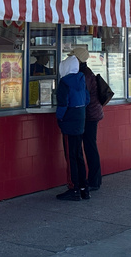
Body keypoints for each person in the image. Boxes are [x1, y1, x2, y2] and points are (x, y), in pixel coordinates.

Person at [55, 54, 90, 201]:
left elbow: (63, 104)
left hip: (69, 122)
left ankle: (73, 188)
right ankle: (83, 188)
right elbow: (87, 99)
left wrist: (60, 118)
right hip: (80, 120)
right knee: (79, 155)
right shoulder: (81, 80)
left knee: (70, 157)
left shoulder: (64, 83)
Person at [72, 45, 104, 192]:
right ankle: (94, 179)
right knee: (90, 146)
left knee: (90, 147)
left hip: (89, 115)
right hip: (92, 113)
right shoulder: (85, 72)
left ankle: (94, 181)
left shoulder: (84, 75)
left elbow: (82, 97)